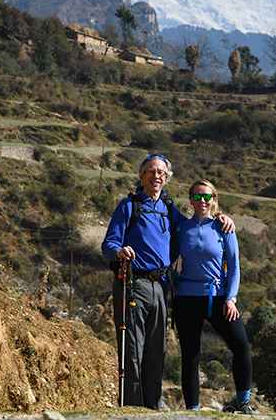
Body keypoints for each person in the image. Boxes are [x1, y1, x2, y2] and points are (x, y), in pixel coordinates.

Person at [101, 154, 234, 410]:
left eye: (161, 173)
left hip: (162, 285)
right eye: (151, 171)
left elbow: (195, 227)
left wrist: (221, 218)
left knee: (156, 349)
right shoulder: (128, 206)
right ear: (142, 176)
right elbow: (109, 244)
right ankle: (133, 405)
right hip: (133, 283)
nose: (156, 176)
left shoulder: (169, 209)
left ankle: (152, 405)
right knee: (133, 348)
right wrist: (119, 252)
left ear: (167, 179)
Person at [173, 179, 255, 414]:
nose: (202, 201)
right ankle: (193, 410)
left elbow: (235, 266)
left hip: (218, 298)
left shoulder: (224, 227)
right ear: (190, 200)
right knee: (190, 355)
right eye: (197, 196)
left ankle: (244, 403)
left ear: (214, 200)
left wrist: (231, 298)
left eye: (207, 197)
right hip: (186, 298)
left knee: (240, 346)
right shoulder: (181, 227)